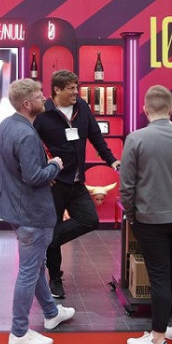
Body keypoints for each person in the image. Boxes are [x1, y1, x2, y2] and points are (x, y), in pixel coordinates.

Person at [0, 79, 75, 344]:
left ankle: (51, 312)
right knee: (29, 270)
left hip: (15, 207)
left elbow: (17, 169)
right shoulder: (26, 134)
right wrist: (54, 165)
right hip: (30, 211)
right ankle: (19, 332)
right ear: (27, 104)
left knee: (35, 265)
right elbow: (34, 176)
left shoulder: (6, 125)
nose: (44, 98)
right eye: (39, 96)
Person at [121, 86, 172, 344]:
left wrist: (132, 215)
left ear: (145, 109)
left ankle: (157, 339)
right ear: (171, 109)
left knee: (159, 276)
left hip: (150, 218)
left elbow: (126, 186)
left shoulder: (136, 138)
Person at [33, 70, 120, 299]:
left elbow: (95, 136)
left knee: (90, 220)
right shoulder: (43, 113)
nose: (76, 92)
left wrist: (111, 160)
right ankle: (55, 279)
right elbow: (32, 145)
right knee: (53, 225)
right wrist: (43, 170)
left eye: (76, 87)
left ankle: (47, 239)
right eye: (71, 88)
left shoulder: (82, 108)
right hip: (54, 183)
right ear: (57, 90)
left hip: (77, 181)